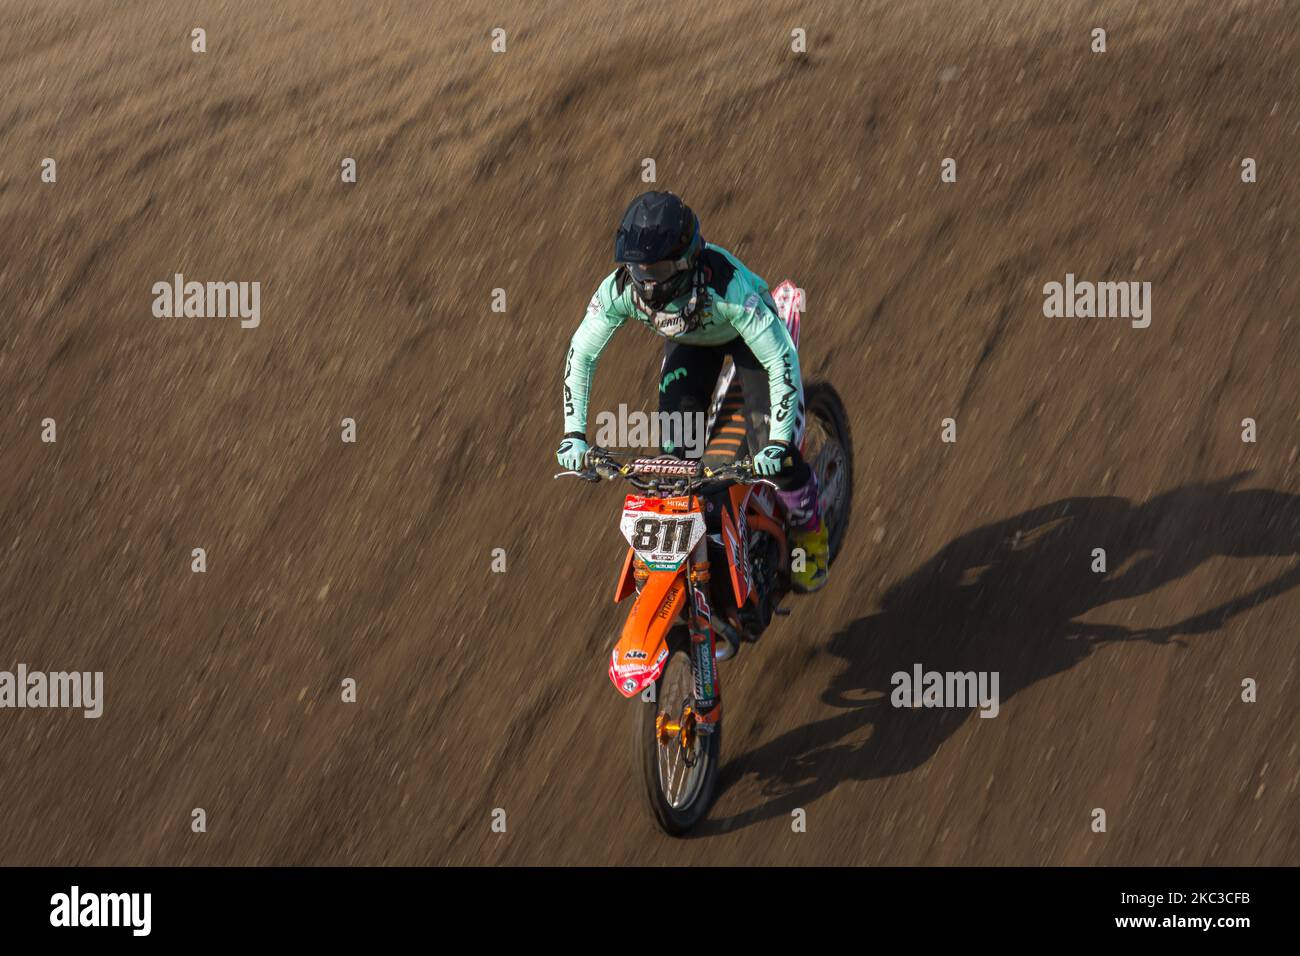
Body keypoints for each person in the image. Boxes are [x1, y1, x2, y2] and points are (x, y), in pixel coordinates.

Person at [557, 191, 828, 591]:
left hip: (749, 342)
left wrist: (779, 442)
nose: (646, 282)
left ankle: (810, 531)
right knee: (673, 468)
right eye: (637, 268)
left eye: (658, 268)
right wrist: (573, 433)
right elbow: (582, 354)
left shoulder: (729, 287)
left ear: (685, 260)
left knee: (773, 453)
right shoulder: (619, 289)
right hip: (691, 345)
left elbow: (779, 358)